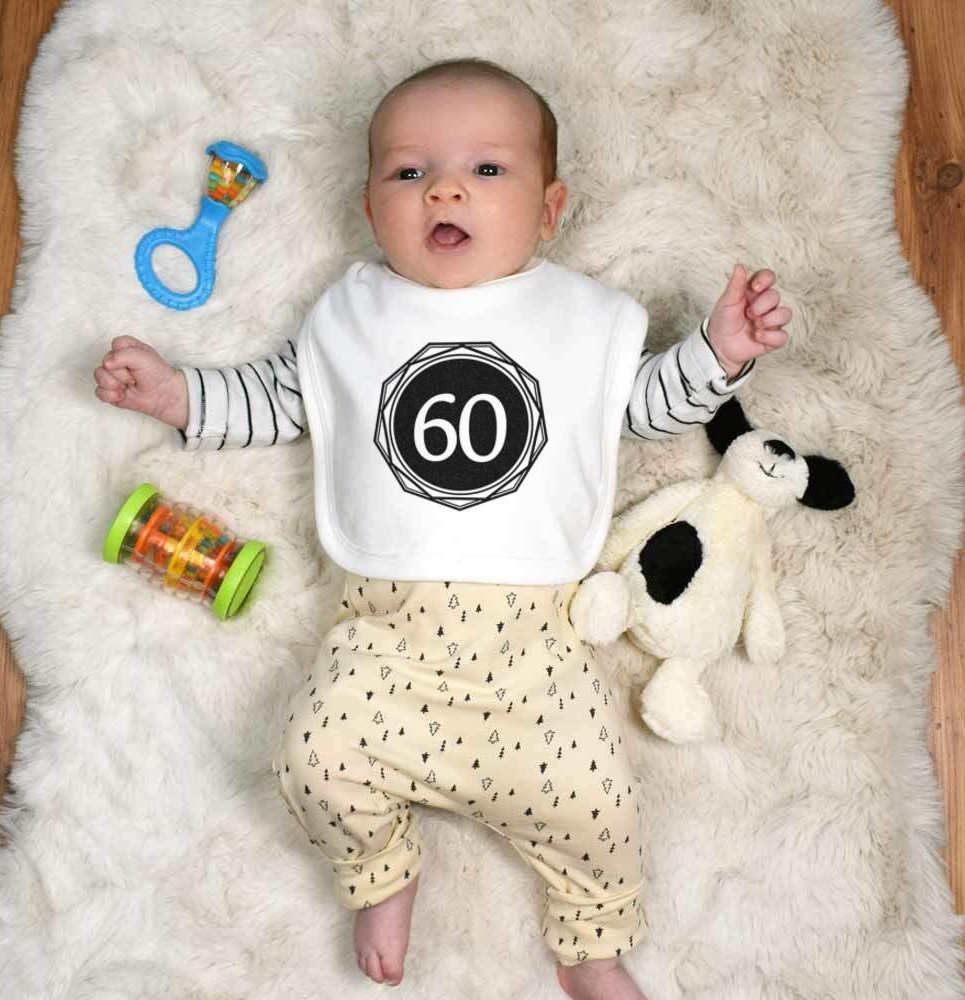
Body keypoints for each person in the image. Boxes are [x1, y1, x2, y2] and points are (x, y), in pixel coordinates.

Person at [94, 57, 790, 1000]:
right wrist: (178, 395)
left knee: (599, 804)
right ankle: (381, 868)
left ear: (549, 212)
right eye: (409, 171)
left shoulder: (575, 322)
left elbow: (639, 406)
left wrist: (719, 353)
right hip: (386, 644)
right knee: (312, 760)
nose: (446, 189)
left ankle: (590, 944)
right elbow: (282, 400)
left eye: (487, 170)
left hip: (539, 656)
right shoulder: (353, 318)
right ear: (370, 206)